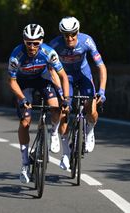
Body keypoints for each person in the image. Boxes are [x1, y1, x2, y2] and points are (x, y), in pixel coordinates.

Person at [8, 24, 70, 183]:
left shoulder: (48, 52)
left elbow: (62, 76)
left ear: (41, 41)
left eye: (36, 43)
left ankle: (54, 133)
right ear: (24, 41)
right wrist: (22, 99)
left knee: (56, 108)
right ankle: (24, 163)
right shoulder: (17, 55)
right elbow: (12, 81)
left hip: (42, 80)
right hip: (23, 83)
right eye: (28, 42)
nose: (32, 46)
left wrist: (66, 98)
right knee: (25, 121)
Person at [49, 16, 107, 170]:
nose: (69, 38)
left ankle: (89, 130)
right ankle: (66, 153)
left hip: (83, 75)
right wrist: (60, 91)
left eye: (73, 34)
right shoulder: (54, 44)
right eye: (66, 35)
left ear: (78, 31)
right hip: (65, 77)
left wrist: (102, 90)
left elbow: (101, 67)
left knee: (91, 107)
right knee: (64, 112)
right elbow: (50, 70)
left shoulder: (86, 41)